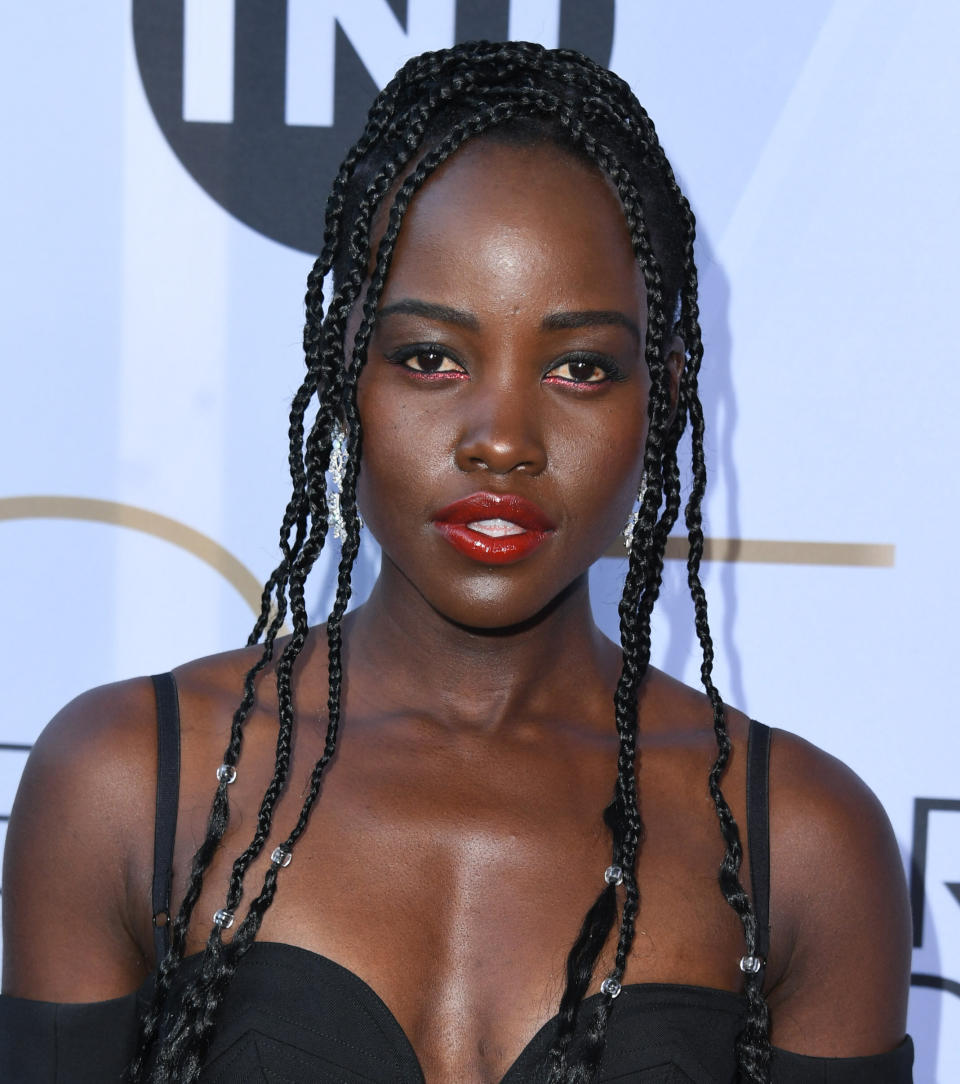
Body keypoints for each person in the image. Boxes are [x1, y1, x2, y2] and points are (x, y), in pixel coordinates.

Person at [1, 41, 912, 1084]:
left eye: (580, 367)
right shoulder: (122, 781)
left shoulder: (801, 845)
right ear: (347, 367)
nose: (501, 438)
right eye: (431, 356)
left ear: (659, 398)